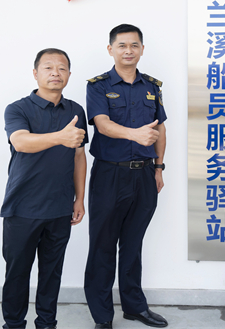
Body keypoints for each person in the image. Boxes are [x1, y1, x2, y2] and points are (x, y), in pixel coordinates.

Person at [84, 24, 167, 329]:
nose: (128, 51)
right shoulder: (98, 86)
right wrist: (135, 135)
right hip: (110, 174)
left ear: (142, 49)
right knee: (103, 246)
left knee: (133, 245)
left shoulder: (152, 86)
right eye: (122, 45)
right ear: (111, 50)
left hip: (144, 175)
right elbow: (102, 124)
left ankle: (134, 307)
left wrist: (159, 167)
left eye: (134, 45)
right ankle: (102, 316)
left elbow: (160, 128)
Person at [1, 48, 88, 329]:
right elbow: (21, 142)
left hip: (60, 207)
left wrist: (79, 199)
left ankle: (47, 324)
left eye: (61, 68)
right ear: (35, 73)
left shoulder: (75, 111)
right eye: (48, 67)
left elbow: (79, 156)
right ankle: (14, 325)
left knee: (52, 273)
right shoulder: (18, 108)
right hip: (22, 207)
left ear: (69, 75)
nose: (55, 73)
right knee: (17, 274)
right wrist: (60, 137)